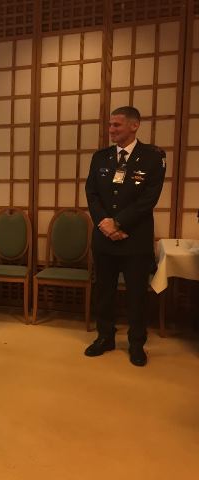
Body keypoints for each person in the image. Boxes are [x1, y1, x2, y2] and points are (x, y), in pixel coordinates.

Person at [84, 106, 166, 366]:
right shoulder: (101, 157)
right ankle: (105, 337)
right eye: (110, 125)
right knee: (104, 291)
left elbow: (149, 198)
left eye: (117, 125)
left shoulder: (153, 157)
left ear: (134, 126)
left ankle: (136, 343)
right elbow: (92, 193)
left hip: (135, 239)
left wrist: (118, 222)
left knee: (136, 296)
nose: (111, 130)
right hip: (104, 238)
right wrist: (105, 224)